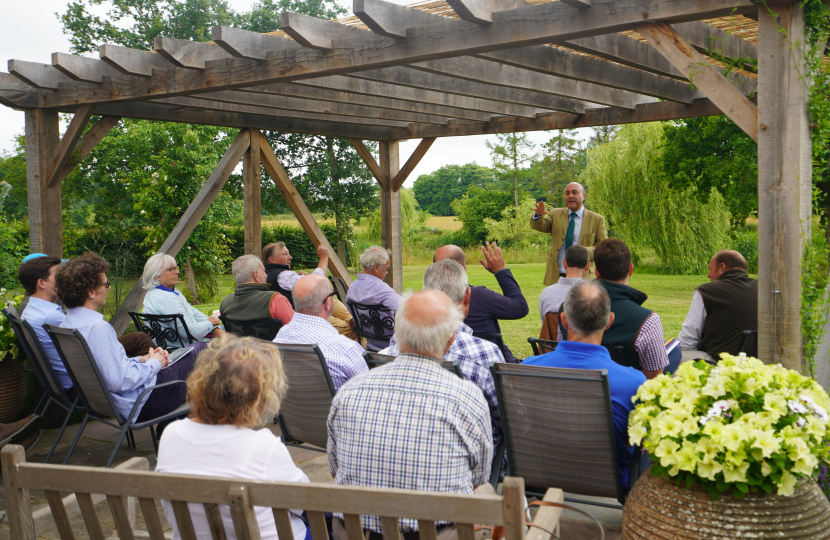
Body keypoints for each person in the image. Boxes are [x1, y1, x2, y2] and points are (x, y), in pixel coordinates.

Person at [328, 290, 493, 540]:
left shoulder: (349, 391)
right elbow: (478, 477)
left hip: (356, 534)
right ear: (449, 343)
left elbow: (334, 469)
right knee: (487, 491)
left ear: (397, 335)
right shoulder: (467, 397)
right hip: (436, 534)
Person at [156, 334, 311, 540]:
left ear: (203, 381)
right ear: (258, 399)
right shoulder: (264, 447)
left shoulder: (170, 435)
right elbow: (307, 505)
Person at [381, 259, 505, 469]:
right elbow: (505, 420)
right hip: (465, 464)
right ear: (467, 297)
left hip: (396, 456)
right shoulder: (484, 354)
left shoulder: (385, 354)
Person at [523, 281, 645, 488]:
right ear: (609, 321)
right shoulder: (634, 382)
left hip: (543, 476)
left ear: (564, 320)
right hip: (608, 483)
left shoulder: (527, 369)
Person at [57, 253, 206, 423]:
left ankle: (176, 425)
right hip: (145, 401)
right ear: (91, 292)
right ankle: (210, 424)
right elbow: (119, 381)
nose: (109, 288)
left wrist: (142, 359)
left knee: (188, 358)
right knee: (200, 350)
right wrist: (155, 364)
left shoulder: (67, 324)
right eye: (106, 284)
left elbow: (111, 369)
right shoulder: (97, 328)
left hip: (113, 403)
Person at [18, 255, 155, 391]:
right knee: (141, 342)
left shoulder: (32, 310)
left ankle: (153, 368)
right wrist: (152, 364)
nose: (62, 279)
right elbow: (114, 378)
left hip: (72, 377)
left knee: (139, 339)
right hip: (80, 382)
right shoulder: (52, 317)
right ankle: (155, 379)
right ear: (41, 283)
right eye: (57, 275)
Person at [564, 239, 678, 379]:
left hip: (575, 383)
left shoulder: (569, 308)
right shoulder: (647, 321)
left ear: (597, 272)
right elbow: (653, 378)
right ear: (630, 269)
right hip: (628, 395)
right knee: (675, 350)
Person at [433, 242, 527, 363]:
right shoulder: (479, 296)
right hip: (499, 370)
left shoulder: (426, 302)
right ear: (464, 268)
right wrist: (501, 271)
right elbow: (520, 308)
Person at [272, 274, 367, 391]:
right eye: (333, 294)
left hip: (292, 407)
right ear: (328, 303)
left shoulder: (280, 337)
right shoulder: (347, 349)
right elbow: (369, 390)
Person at [262, 242, 358, 342]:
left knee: (332, 301)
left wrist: (305, 278)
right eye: (285, 254)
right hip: (307, 319)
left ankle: (352, 320)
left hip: (296, 319)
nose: (290, 257)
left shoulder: (269, 274)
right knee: (354, 331)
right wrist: (324, 258)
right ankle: (361, 352)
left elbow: (308, 285)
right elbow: (316, 283)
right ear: (271, 259)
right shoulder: (282, 275)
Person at [678, 250, 758, 359]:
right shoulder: (763, 289)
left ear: (722, 268)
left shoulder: (706, 291)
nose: (708, 275)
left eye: (710, 269)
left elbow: (688, 341)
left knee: (672, 357)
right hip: (761, 363)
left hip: (720, 364)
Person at [530, 182, 608, 286]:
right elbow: (540, 226)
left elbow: (603, 249)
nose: (570, 196)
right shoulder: (555, 214)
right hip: (557, 275)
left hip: (583, 277)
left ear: (584, 196)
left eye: (575, 192)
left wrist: (582, 251)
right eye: (567, 193)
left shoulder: (597, 219)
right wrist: (538, 215)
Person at [141, 253, 225, 347]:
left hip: (179, 344)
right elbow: (190, 333)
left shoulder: (156, 293)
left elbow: (193, 312)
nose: (177, 272)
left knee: (224, 330)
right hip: (185, 349)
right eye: (171, 269)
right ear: (157, 276)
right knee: (233, 334)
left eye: (176, 268)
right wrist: (210, 323)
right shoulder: (166, 298)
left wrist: (215, 327)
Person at [219, 255, 294, 338]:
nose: (266, 275)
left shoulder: (225, 303)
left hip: (241, 350)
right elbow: (296, 330)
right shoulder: (275, 300)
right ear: (256, 275)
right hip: (273, 350)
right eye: (264, 271)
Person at [345, 246, 401, 348]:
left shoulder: (352, 289)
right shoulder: (381, 289)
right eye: (386, 268)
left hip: (371, 345)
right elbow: (408, 309)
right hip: (394, 345)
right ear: (376, 267)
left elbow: (350, 314)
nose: (387, 272)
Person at [538, 245, 590, 321]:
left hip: (553, 333)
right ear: (587, 266)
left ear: (564, 264)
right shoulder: (596, 294)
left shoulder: (546, 293)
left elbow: (546, 324)